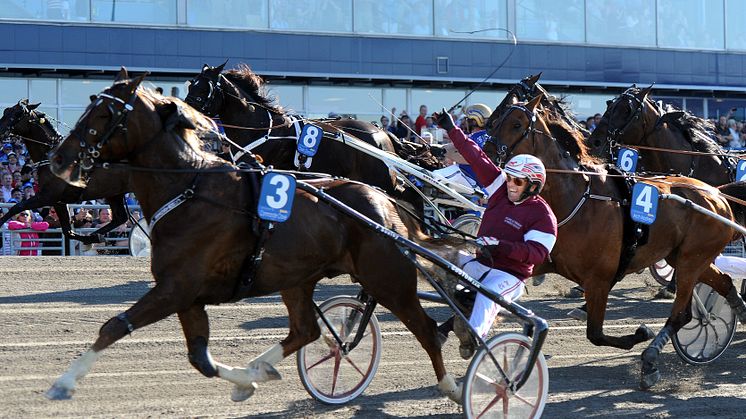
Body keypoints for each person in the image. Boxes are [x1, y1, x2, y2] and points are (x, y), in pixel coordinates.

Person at [434, 108, 558, 358]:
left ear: (533, 186)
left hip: (508, 276)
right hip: (480, 263)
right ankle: (456, 311)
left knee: (486, 294)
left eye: (518, 181)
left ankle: (475, 341)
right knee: (439, 258)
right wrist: (451, 128)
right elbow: (476, 157)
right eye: (510, 178)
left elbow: (536, 254)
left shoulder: (543, 217)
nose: (510, 184)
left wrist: (500, 246)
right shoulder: (500, 187)